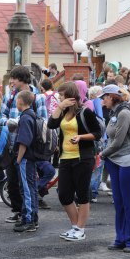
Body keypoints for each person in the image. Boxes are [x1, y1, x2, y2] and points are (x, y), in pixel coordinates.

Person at [48, 82, 101, 241]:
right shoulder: (63, 112)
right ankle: (75, 226)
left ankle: (80, 229)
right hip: (65, 158)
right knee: (64, 194)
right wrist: (60, 106)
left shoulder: (85, 112)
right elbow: (51, 124)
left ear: (71, 96)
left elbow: (97, 133)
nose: (59, 98)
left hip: (83, 158)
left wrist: (81, 137)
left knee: (82, 194)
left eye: (62, 96)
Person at [0, 66, 47, 224]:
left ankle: (29, 215)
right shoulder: (10, 96)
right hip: (11, 144)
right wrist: (9, 123)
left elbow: (43, 122)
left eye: (13, 78)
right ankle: (19, 211)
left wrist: (23, 123)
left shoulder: (37, 97)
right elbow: (1, 117)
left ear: (22, 79)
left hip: (28, 149)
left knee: (26, 183)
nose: (11, 81)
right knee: (12, 181)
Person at [98, 84, 130, 252]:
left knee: (129, 203)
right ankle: (121, 238)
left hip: (128, 162)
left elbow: (118, 141)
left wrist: (102, 154)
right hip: (114, 161)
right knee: (120, 203)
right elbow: (111, 139)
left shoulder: (124, 113)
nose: (103, 100)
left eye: (105, 96)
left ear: (113, 96)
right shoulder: (114, 113)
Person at [11, 90, 39, 232]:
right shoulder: (32, 115)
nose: (16, 102)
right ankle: (32, 217)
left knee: (27, 189)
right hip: (31, 158)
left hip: (26, 158)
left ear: (21, 101)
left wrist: (18, 158)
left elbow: (24, 142)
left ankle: (29, 220)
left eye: (17, 99)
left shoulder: (25, 118)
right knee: (31, 188)